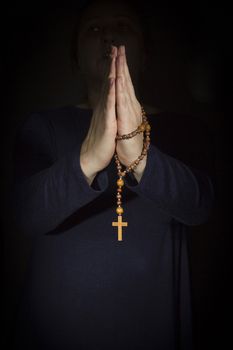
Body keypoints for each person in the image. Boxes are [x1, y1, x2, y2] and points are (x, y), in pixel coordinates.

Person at [11, 0, 215, 349]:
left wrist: (140, 153)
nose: (108, 34)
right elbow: (25, 215)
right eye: (93, 28)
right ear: (75, 56)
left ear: (145, 53)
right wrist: (87, 158)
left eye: (122, 26)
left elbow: (199, 207)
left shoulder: (186, 129)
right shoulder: (43, 126)